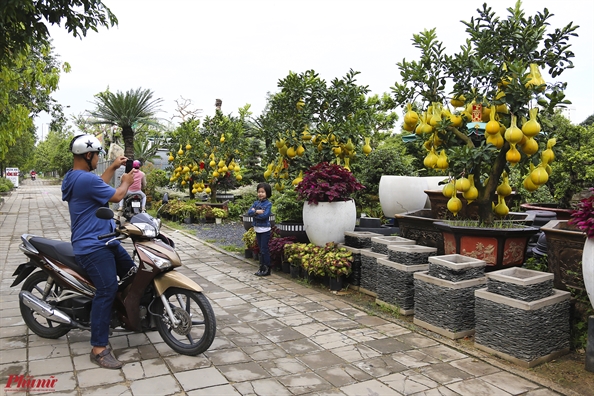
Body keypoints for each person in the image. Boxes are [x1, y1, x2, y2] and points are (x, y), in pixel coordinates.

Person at [61, 134, 136, 369]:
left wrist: (113, 167)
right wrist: (125, 180)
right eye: (97, 156)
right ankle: (99, 348)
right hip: (92, 246)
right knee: (107, 288)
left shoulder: (75, 177)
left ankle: (125, 315)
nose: (99, 160)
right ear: (88, 155)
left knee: (132, 272)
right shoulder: (84, 180)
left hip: (106, 240)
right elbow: (115, 195)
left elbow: (99, 186)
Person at [247, 182, 273, 276]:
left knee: (264, 249)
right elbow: (249, 212)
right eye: (259, 191)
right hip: (257, 229)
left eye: (263, 192)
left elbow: (265, 216)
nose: (260, 194)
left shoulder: (268, 204)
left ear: (267, 193)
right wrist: (257, 212)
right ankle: (261, 268)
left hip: (265, 230)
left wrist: (255, 213)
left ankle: (267, 268)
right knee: (260, 249)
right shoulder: (256, 203)